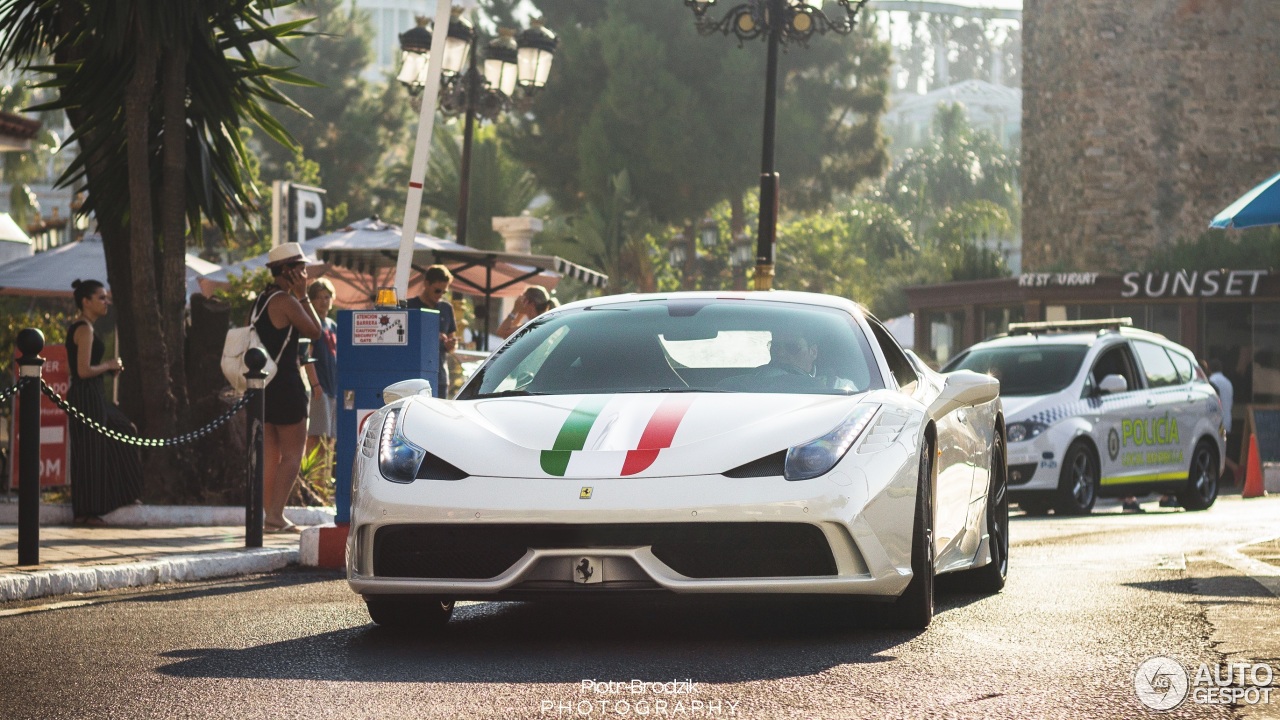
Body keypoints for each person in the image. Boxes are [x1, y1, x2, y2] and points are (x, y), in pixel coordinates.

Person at [255, 243, 323, 533]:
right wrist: (304, 295)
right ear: (288, 271)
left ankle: (268, 514)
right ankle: (274, 515)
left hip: (263, 383)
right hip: (285, 383)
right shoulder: (286, 300)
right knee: (293, 454)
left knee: (271, 454)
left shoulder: (261, 299)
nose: (306, 273)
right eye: (301, 268)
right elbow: (315, 331)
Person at [65, 279, 143, 526]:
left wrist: (108, 370)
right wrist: (108, 365)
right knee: (89, 452)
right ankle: (85, 513)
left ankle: (120, 495)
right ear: (86, 302)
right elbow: (83, 370)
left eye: (106, 297)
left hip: (93, 394)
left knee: (123, 431)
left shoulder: (86, 327)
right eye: (101, 297)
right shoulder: (84, 329)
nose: (106, 302)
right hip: (85, 395)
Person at [304, 278, 338, 481]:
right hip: (320, 387)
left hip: (334, 387)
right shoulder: (310, 324)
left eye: (327, 297)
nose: (324, 302)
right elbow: (307, 357)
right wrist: (315, 385)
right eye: (319, 298)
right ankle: (311, 481)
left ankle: (324, 482)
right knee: (316, 437)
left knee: (330, 439)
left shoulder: (332, 325)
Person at [407, 264, 457, 397]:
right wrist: (431, 336)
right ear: (426, 284)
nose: (440, 295)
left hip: (439, 375)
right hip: (413, 373)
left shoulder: (446, 308)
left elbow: (452, 344)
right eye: (437, 290)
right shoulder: (410, 306)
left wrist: (451, 344)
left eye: (444, 292)